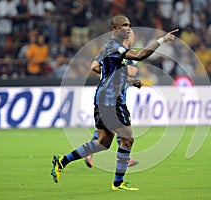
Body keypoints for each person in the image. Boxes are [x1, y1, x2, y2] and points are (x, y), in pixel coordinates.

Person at [51, 15, 178, 191]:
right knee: (127, 140)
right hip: (111, 100)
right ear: (115, 29)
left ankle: (62, 161)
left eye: (129, 25)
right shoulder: (113, 46)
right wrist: (162, 39)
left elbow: (109, 71)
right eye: (124, 25)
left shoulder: (113, 49)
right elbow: (140, 56)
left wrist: (131, 80)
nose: (128, 28)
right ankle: (118, 183)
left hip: (106, 98)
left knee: (103, 143)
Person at [85, 30, 139, 168]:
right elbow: (132, 71)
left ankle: (90, 152)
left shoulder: (108, 49)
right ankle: (123, 159)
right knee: (120, 127)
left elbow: (94, 66)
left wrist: (107, 72)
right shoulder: (125, 52)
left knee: (110, 128)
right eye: (131, 34)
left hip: (109, 94)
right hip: (115, 96)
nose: (132, 36)